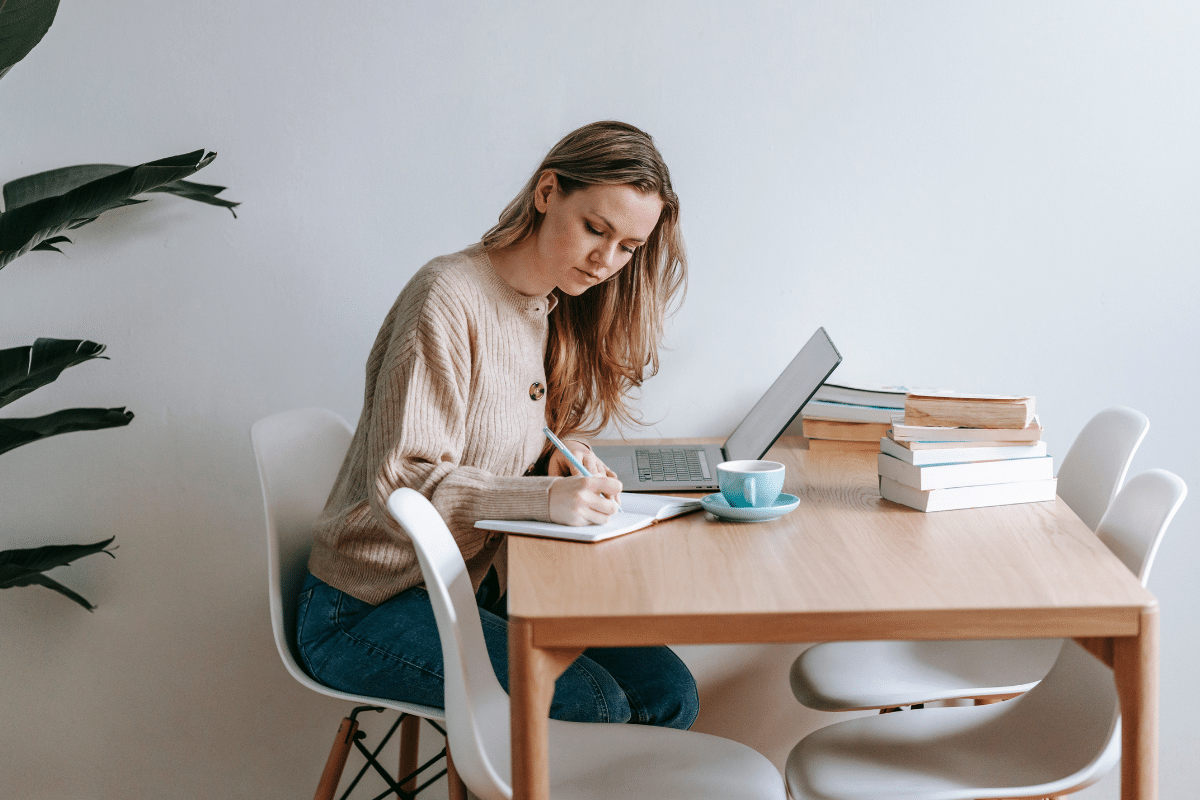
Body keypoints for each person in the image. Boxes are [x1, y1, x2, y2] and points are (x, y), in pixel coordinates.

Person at [296, 121, 697, 728]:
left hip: (469, 585)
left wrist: (557, 460)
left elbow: (495, 436)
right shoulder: (447, 298)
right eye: (596, 228)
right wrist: (542, 497)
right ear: (546, 193)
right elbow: (401, 483)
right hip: (365, 605)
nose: (606, 261)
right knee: (592, 702)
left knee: (668, 691)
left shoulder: (545, 305)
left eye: (629, 247)